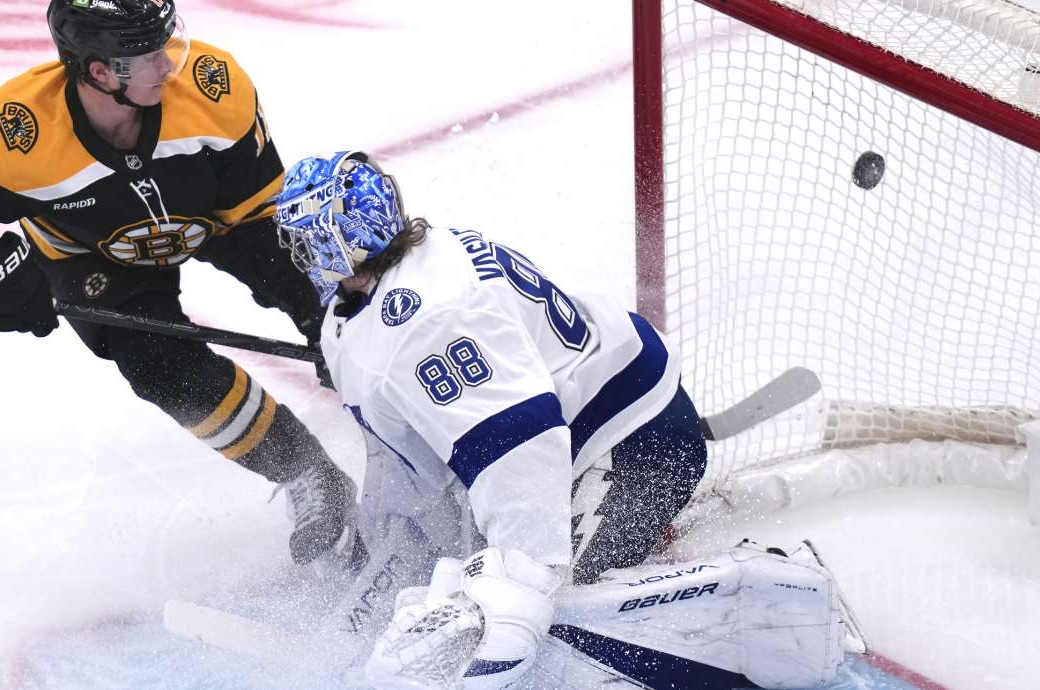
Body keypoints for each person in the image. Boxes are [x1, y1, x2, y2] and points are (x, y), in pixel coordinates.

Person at [273, 152, 864, 689]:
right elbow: (410, 463)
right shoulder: (378, 297)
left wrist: (517, 590)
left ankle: (772, 594)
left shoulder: (428, 322)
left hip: (635, 442)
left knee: (555, 617)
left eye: (303, 243)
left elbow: (518, 449)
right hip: (584, 430)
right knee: (486, 584)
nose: (296, 258)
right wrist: (391, 557)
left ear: (337, 244)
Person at [0, 0, 353, 565]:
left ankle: (406, 429)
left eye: (167, 43)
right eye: (149, 55)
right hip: (93, 255)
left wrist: (316, 309)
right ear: (98, 73)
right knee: (158, 364)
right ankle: (308, 472)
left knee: (337, 314)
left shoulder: (214, 88)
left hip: (216, 219)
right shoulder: (13, 133)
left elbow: (264, 217)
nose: (170, 65)